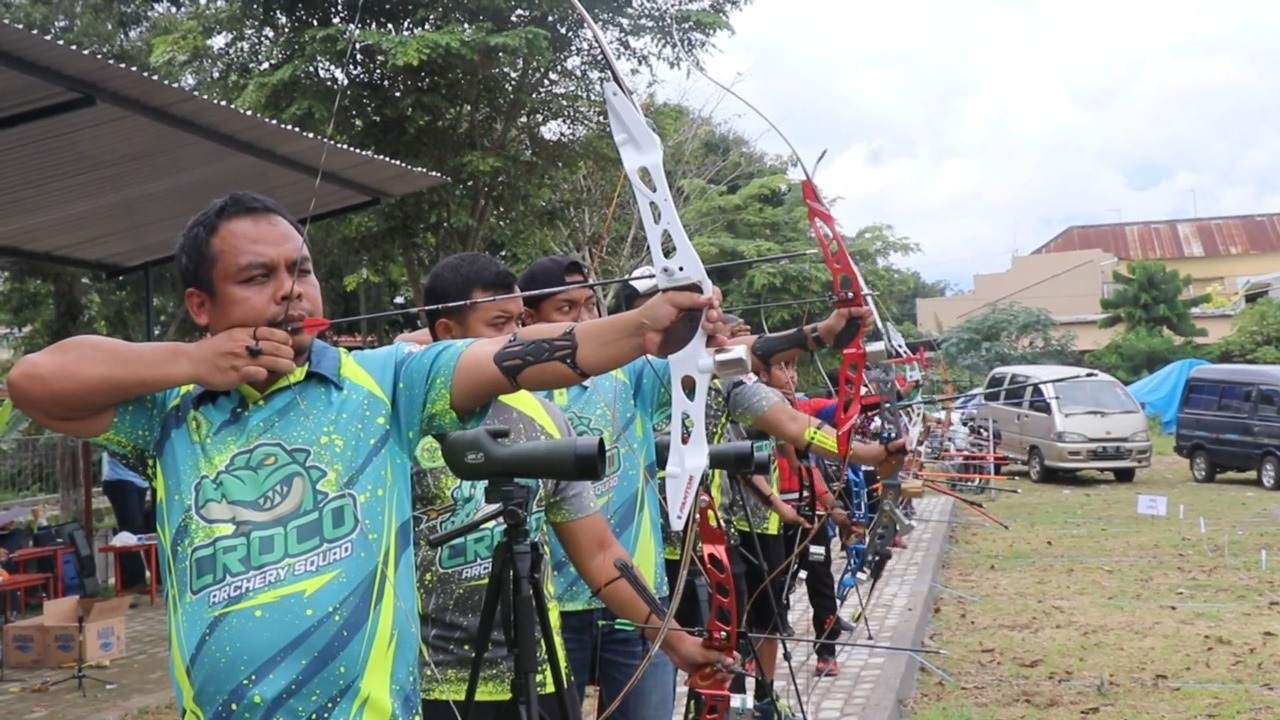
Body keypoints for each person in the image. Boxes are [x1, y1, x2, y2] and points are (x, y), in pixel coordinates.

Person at [5, 191, 731, 720]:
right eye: (258, 278)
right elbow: (32, 380)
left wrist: (643, 326)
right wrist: (194, 364)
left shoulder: (383, 382)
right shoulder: (168, 410)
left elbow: (526, 356)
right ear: (201, 305)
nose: (292, 291)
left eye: (301, 269)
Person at [518, 257, 905, 720]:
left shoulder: (637, 373)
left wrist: (819, 339)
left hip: (643, 586)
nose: (585, 320)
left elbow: (744, 376)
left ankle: (754, 699)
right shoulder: (514, 388)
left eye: (589, 305)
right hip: (552, 598)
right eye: (567, 309)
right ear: (528, 320)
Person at [406, 252, 721, 719]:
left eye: (520, 323)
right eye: (499, 325)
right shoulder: (401, 416)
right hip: (431, 684)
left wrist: (671, 636)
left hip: (542, 676)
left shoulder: (545, 417)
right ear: (448, 334)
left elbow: (598, 553)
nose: (519, 339)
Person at [101, 452, 151, 591]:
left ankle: (134, 578)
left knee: (139, 527)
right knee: (130, 528)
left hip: (140, 481)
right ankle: (133, 579)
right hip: (120, 479)